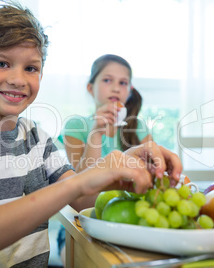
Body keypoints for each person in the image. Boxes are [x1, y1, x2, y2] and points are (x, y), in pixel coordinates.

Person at [0, 3, 182, 268]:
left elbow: (80, 200)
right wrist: (79, 183)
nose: (17, 79)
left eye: (30, 68)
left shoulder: (38, 138)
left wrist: (122, 170)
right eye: (2, 63)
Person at [57, 54, 169, 262]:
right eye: (107, 80)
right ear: (91, 88)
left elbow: (154, 177)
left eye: (123, 82)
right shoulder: (76, 126)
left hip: (130, 224)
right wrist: (96, 133)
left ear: (130, 91)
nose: (116, 88)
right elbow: (80, 198)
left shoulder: (138, 128)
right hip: (81, 227)